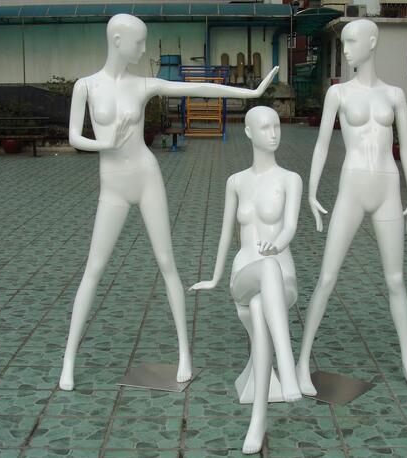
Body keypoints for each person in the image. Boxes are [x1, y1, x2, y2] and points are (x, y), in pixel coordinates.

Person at [59, 13, 279, 392]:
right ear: (117, 40)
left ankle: (184, 354)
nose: (144, 48)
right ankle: (68, 362)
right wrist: (104, 143)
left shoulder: (143, 85)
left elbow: (200, 88)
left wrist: (252, 93)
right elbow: (74, 137)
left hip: (146, 177)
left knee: (167, 263)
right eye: (139, 42)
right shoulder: (86, 86)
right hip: (112, 185)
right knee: (93, 269)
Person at [295, 19, 407, 395]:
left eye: (352, 41)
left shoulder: (395, 95)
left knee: (395, 280)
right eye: (344, 42)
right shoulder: (338, 94)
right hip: (351, 188)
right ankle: (302, 361)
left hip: (388, 187)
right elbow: (321, 145)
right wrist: (311, 191)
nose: (346, 49)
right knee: (327, 277)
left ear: (372, 42)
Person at [190, 106, 302, 454]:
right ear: (249, 132)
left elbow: (290, 227)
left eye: (277, 125)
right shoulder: (236, 182)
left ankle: (258, 420)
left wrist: (276, 245)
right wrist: (214, 277)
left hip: (282, 277)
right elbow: (226, 235)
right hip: (245, 273)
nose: (274, 133)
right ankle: (287, 366)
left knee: (260, 299)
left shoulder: (290, 179)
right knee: (262, 275)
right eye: (265, 127)